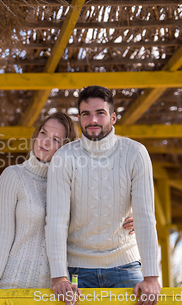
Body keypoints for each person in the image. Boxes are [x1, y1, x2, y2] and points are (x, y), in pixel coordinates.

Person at [0, 112, 134, 292]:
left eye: (56, 140)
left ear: (66, 148)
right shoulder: (13, 176)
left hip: (55, 291)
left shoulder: (73, 185)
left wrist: (132, 216)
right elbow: (2, 235)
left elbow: (98, 216)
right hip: (13, 284)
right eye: (43, 133)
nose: (45, 142)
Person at [45, 86, 161, 305]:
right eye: (86, 114)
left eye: (100, 113)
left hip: (126, 267)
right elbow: (56, 220)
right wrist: (59, 275)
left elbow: (145, 217)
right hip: (77, 271)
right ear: (79, 118)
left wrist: (152, 276)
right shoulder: (64, 157)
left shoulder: (135, 153)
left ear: (113, 117)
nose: (93, 120)